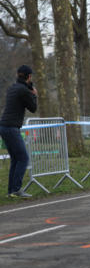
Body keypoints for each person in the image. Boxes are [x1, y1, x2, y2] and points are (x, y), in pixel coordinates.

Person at [0, 65, 38, 198]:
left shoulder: (13, 88)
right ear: (29, 76)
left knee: (16, 159)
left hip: (4, 126)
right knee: (23, 158)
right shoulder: (23, 90)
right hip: (11, 128)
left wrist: (28, 89)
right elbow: (33, 108)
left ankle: (11, 191)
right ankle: (16, 190)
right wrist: (34, 95)